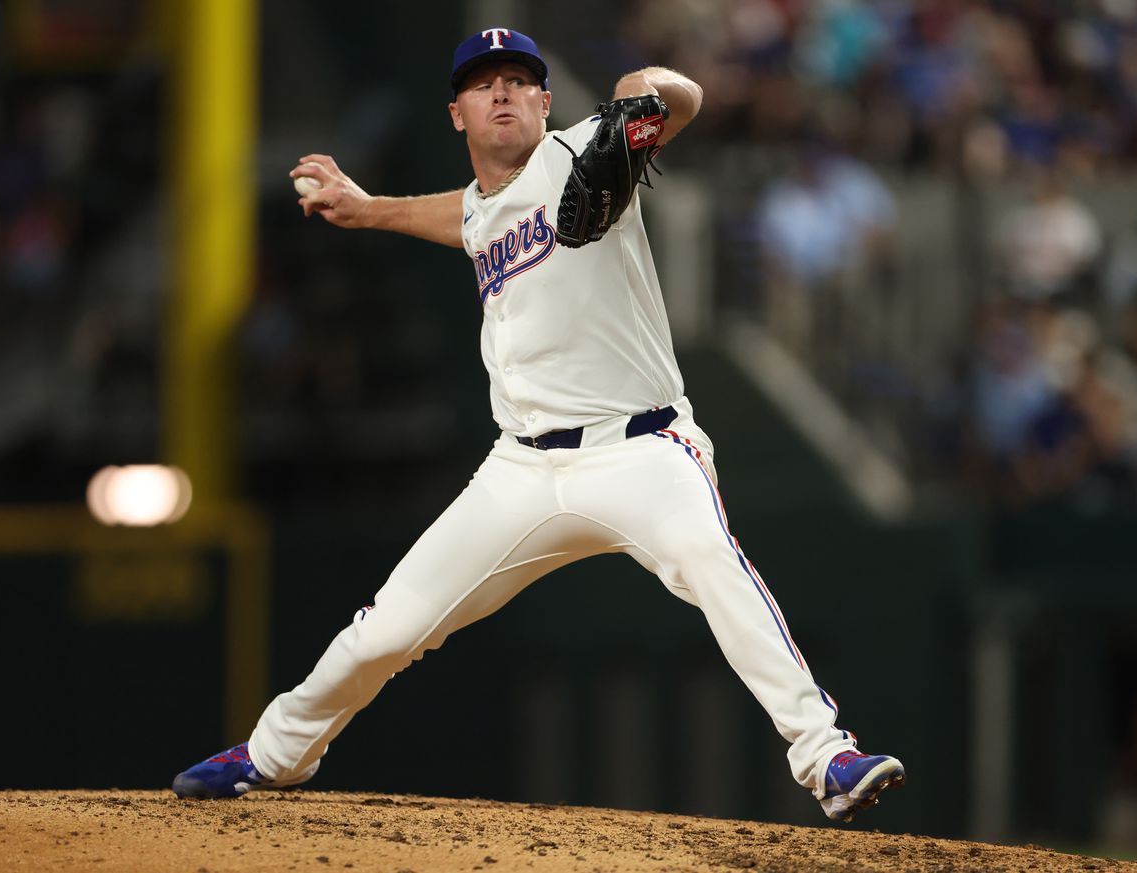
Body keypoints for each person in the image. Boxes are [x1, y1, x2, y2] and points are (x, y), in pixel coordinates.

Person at [173, 27, 905, 823]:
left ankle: (827, 755)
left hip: (640, 450)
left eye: (520, 81)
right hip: (519, 470)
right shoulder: (483, 205)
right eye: (484, 83)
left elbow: (682, 98)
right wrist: (370, 209)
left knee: (710, 559)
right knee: (390, 626)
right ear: (456, 113)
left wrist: (640, 91)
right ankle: (276, 754)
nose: (502, 93)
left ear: (545, 103)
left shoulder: (582, 151)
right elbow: (467, 217)